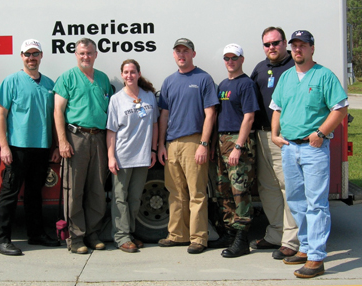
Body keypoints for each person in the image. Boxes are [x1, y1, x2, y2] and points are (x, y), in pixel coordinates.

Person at [270, 30, 348, 278]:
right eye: (294, 46)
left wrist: (321, 133)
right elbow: (277, 108)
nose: (298, 50)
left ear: (312, 48)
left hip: (313, 148)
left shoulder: (324, 76)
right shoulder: (286, 77)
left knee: (316, 204)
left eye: (303, 45)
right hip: (290, 148)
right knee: (296, 201)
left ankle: (316, 257)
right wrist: (274, 135)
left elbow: (340, 108)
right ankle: (303, 247)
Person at [0, 39, 61, 256]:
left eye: (35, 54)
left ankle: (36, 234)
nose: (31, 58)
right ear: (21, 57)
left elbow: (55, 117)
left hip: (41, 147)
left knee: (34, 193)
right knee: (9, 193)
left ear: (41, 56)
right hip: (17, 147)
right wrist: (3, 146)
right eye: (27, 54)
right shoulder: (11, 81)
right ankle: (0, 239)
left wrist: (56, 145)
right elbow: (0, 115)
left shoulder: (50, 84)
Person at [157, 38, 218, 254]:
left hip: (194, 141)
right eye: (178, 51)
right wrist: (161, 144)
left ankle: (199, 238)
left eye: (186, 51)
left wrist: (203, 144)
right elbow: (164, 115)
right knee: (175, 192)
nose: (181, 55)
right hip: (172, 144)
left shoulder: (203, 79)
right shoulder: (169, 82)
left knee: (197, 193)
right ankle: (177, 235)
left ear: (193, 54)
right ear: (174, 55)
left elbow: (210, 114)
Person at [54, 38, 114, 254]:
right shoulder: (67, 78)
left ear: (95, 54)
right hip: (75, 138)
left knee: (97, 189)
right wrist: (62, 141)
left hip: (98, 138)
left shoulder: (103, 79)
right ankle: (76, 238)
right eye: (81, 53)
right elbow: (58, 111)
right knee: (75, 190)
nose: (85, 57)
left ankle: (93, 233)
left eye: (89, 53)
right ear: (76, 55)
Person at [249, 27, 299, 260]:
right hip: (261, 136)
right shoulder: (260, 69)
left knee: (288, 189)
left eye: (275, 43)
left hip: (285, 138)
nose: (271, 48)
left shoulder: (296, 67)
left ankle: (291, 240)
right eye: (267, 44)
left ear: (285, 42)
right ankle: (276, 233)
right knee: (267, 188)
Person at [209, 43, 259, 258]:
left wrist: (238, 146)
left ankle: (242, 238)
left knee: (240, 190)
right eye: (227, 58)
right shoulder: (223, 85)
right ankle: (229, 231)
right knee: (224, 189)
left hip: (238, 140)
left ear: (242, 59)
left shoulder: (246, 84)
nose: (230, 62)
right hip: (222, 140)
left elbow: (249, 117)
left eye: (234, 58)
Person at [106, 59, 159, 253]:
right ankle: (121, 237)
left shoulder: (148, 97)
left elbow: (154, 125)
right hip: (122, 157)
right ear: (122, 75)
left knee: (135, 199)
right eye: (126, 72)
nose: (129, 75)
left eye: (133, 72)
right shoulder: (116, 99)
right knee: (120, 199)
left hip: (143, 157)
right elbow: (111, 131)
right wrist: (111, 157)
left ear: (138, 73)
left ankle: (130, 233)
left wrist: (153, 150)